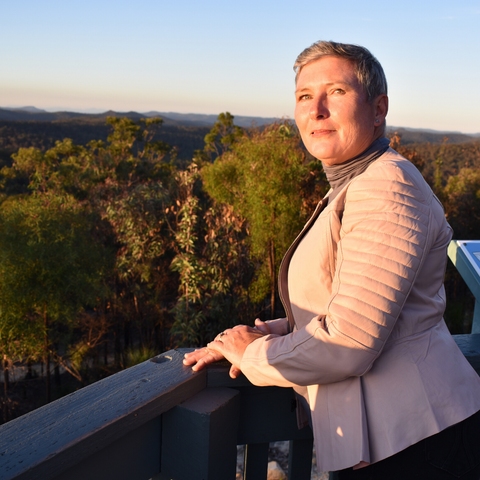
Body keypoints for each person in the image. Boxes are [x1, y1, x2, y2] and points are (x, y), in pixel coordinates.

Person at [184, 41, 480, 479]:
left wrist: (254, 355)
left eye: (336, 92)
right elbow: (360, 306)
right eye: (304, 96)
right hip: (395, 443)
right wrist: (281, 328)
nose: (315, 110)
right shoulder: (355, 182)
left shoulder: (385, 186)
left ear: (378, 108)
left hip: (418, 443)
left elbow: (348, 343)